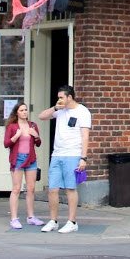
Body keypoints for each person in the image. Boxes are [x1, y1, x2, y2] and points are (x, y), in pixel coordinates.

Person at [38, 85, 91, 233]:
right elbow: (42, 116)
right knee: (52, 189)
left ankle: (72, 221)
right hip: (57, 154)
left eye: (62, 97)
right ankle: (53, 220)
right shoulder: (59, 110)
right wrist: (55, 108)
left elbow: (85, 136)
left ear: (70, 97)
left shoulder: (82, 111)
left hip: (73, 154)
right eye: (58, 97)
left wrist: (83, 158)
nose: (59, 99)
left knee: (70, 188)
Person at [3, 102, 44, 229]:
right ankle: (14, 218)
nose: (24, 112)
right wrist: (16, 136)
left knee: (31, 189)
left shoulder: (32, 125)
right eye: (21, 110)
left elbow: (38, 143)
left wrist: (36, 136)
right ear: (17, 112)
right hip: (18, 159)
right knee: (16, 189)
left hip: (31, 159)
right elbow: (6, 144)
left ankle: (31, 217)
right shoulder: (12, 126)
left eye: (26, 110)